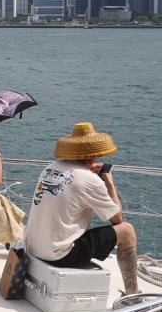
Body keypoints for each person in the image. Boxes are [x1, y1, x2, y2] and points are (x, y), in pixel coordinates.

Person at [24, 122, 139, 295]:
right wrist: (108, 182)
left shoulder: (49, 169)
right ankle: (133, 295)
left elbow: (72, 182)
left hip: (32, 248)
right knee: (127, 231)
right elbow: (117, 218)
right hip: (59, 255)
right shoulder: (90, 180)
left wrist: (89, 174)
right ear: (93, 155)